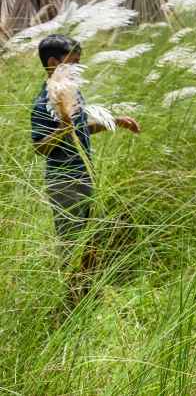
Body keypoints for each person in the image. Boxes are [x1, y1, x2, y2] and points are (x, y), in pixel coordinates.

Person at [30, 34, 141, 305]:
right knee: (71, 241)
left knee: (91, 236)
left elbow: (81, 129)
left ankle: (88, 292)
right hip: (63, 182)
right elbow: (40, 147)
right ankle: (70, 301)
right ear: (54, 63)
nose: (79, 68)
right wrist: (61, 129)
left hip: (84, 175)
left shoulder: (71, 92)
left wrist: (112, 122)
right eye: (74, 62)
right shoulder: (45, 101)